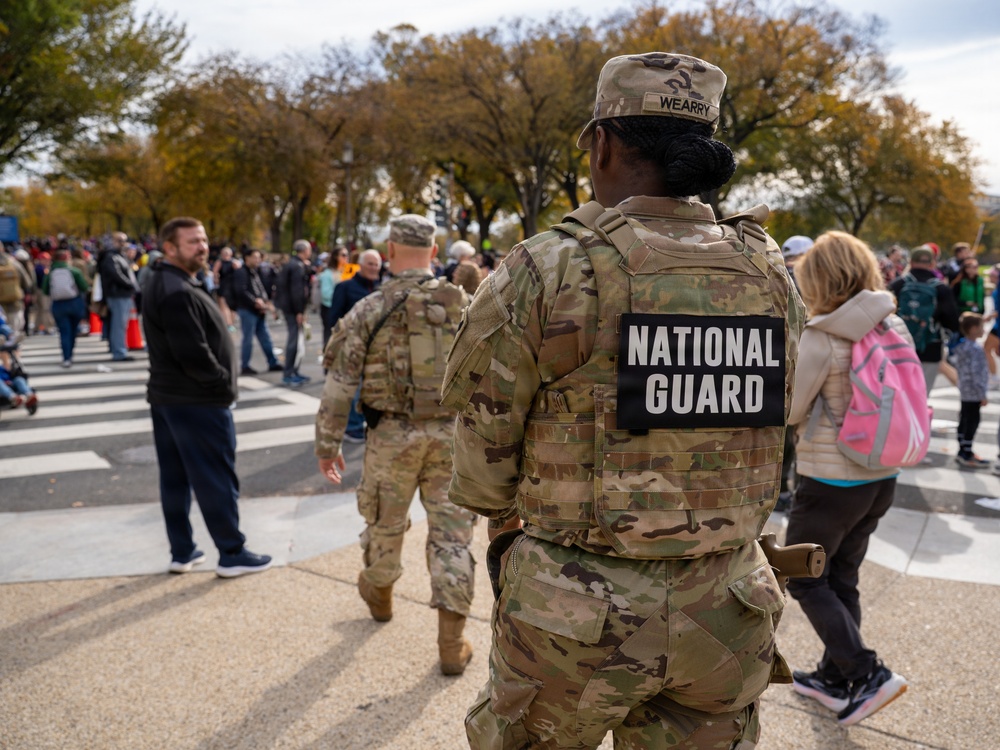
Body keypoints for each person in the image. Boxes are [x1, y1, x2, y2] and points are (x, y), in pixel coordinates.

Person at [442, 52, 803, 748]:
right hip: (730, 604)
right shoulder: (770, 271)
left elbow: (484, 468)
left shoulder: (547, 266)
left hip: (575, 614)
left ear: (603, 143)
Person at [315, 214, 476, 676]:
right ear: (433, 252)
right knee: (452, 539)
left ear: (389, 252)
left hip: (390, 436)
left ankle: (381, 597)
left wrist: (327, 445)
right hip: (451, 436)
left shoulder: (368, 309)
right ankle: (452, 643)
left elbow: (339, 386)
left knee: (385, 524)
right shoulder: (464, 305)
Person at [785, 231, 910, 726]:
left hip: (831, 480)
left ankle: (867, 673)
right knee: (842, 576)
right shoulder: (890, 321)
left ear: (818, 278)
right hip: (882, 474)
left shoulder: (823, 333)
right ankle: (835, 679)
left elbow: (791, 409)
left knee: (803, 576)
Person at [142, 217, 272, 578]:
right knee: (215, 478)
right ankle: (231, 552)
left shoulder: (169, 281)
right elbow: (194, 354)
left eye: (203, 240)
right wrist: (222, 387)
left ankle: (182, 551)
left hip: (172, 398)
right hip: (195, 401)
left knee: (176, 479)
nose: (202, 247)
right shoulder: (176, 290)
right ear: (170, 248)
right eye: (192, 242)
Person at [889, 245, 960, 394]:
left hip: (898, 346)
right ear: (932, 263)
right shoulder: (941, 289)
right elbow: (953, 322)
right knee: (922, 394)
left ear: (911, 262)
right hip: (930, 347)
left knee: (899, 393)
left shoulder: (897, 285)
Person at [328, 248, 383, 441]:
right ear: (360, 264)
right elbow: (334, 320)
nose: (374, 267)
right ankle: (352, 426)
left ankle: (361, 422)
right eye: (370, 263)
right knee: (354, 388)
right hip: (351, 346)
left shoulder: (381, 289)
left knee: (369, 388)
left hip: (376, 348)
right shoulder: (344, 287)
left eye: (377, 264)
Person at [231, 248, 283, 376]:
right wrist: (256, 301)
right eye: (255, 257)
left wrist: (265, 301)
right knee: (248, 339)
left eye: (259, 257)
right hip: (247, 309)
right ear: (247, 258)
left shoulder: (254, 271)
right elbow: (241, 291)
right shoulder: (241, 272)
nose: (258, 260)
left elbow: (260, 289)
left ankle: (272, 362)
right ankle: (245, 366)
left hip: (258, 311)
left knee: (265, 337)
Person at [950, 312, 990, 468]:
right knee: (972, 421)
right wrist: (982, 393)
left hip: (964, 389)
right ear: (973, 329)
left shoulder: (960, 346)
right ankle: (966, 452)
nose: (983, 330)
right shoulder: (975, 349)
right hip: (974, 391)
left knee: (964, 418)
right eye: (981, 327)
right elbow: (977, 372)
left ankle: (962, 449)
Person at [274, 239, 312, 387]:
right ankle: (289, 372)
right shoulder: (297, 266)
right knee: (294, 340)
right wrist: (299, 311)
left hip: (288, 306)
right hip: (293, 308)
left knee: (296, 340)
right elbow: (297, 290)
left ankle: (293, 371)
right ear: (304, 250)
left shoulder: (292, 264)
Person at [42, 249, 89, 367]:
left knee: (64, 331)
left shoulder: (51, 273)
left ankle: (66, 357)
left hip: (58, 305)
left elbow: (45, 290)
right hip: (75, 303)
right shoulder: (75, 271)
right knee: (73, 330)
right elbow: (84, 287)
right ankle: (70, 353)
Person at [99, 231, 140, 361]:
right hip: (118, 294)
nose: (124, 243)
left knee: (121, 325)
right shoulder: (111, 257)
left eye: (125, 240)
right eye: (120, 240)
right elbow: (115, 274)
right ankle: (119, 352)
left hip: (122, 294)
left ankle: (119, 349)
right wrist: (130, 285)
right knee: (119, 325)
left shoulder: (119, 256)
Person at [0, 244, 35, 338]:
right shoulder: (13, 263)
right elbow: (27, 281)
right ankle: (13, 349)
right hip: (14, 302)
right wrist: (28, 293)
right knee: (14, 330)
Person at [319, 246, 348, 347]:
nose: (346, 258)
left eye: (347, 255)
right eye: (343, 255)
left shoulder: (345, 273)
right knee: (330, 337)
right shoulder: (328, 274)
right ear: (335, 257)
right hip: (330, 309)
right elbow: (326, 294)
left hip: (342, 310)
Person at [212, 246, 239, 332]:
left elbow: (215, 273)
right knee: (225, 306)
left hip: (229, 286)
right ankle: (229, 324)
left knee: (229, 307)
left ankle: (230, 324)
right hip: (226, 286)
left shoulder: (233, 263)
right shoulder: (223, 262)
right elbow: (215, 273)